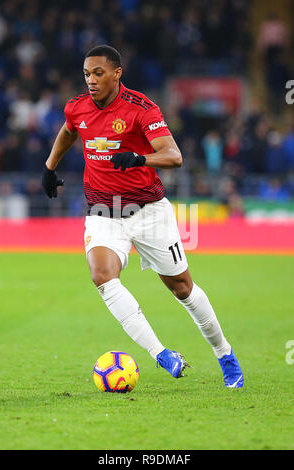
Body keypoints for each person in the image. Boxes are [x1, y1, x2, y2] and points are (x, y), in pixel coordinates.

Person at [42, 45, 243, 388]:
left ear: (117, 73)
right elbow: (70, 129)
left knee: (182, 288)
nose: (91, 80)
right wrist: (49, 166)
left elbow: (174, 155)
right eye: (87, 74)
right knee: (102, 276)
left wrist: (138, 159)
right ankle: (162, 354)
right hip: (103, 211)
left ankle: (225, 354)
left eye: (98, 73)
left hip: (149, 211)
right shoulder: (77, 107)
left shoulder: (141, 109)